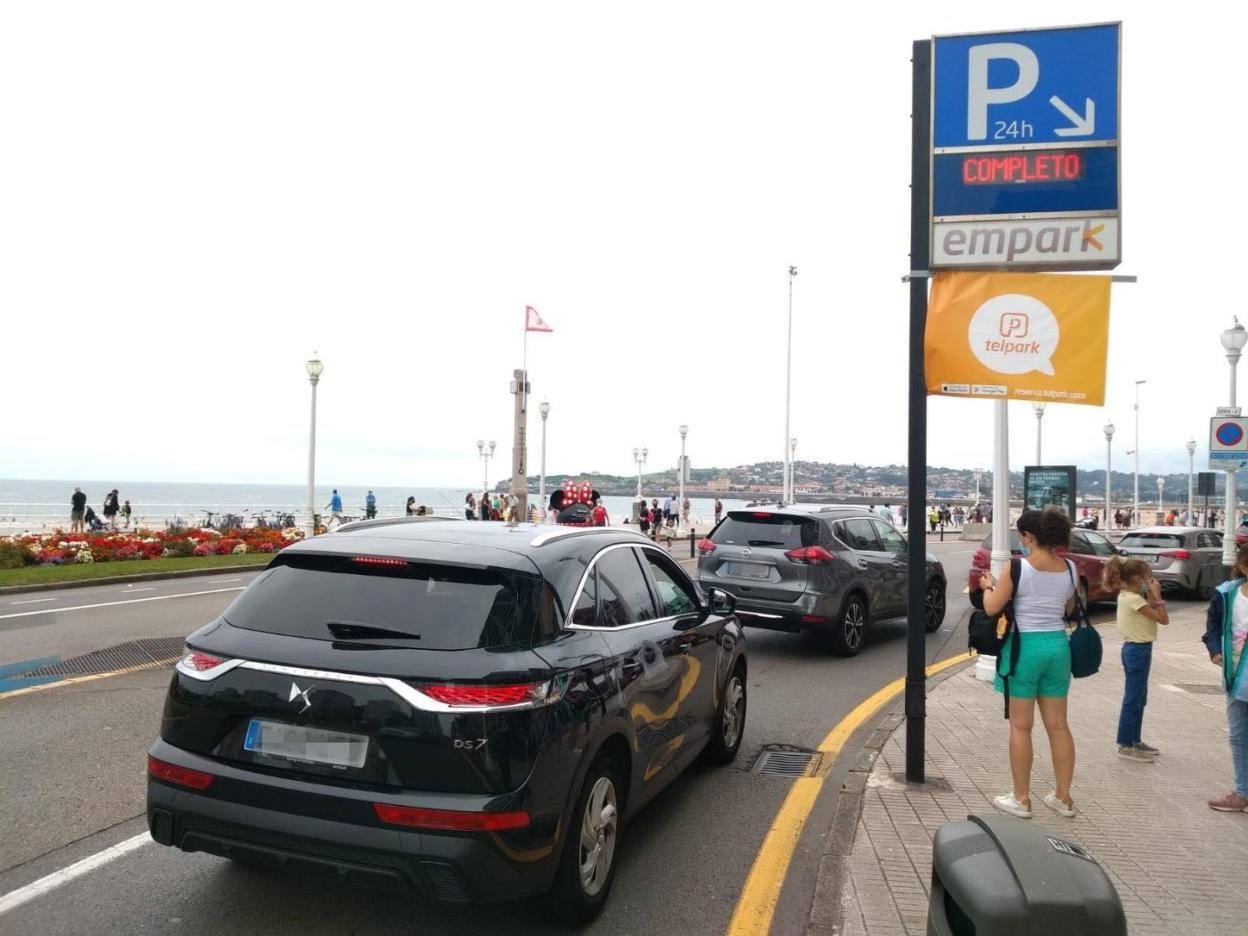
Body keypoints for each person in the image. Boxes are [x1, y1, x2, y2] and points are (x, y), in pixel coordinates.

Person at [979, 508, 1079, 819]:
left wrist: (988, 587)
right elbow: (1069, 606)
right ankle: (1063, 797)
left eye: (1021, 535)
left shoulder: (1017, 568)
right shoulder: (1071, 568)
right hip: (1058, 647)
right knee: (1059, 726)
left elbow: (993, 607)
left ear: (1029, 537)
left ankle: (1021, 798)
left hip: (1025, 649)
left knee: (1021, 726)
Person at [1103, 556, 1169, 761]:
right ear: (1135, 578)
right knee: (1133, 698)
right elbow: (1163, 619)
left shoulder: (1129, 596)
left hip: (1138, 649)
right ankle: (1125, 743)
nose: (1149, 580)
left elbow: (1151, 609)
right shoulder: (1134, 600)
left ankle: (1135, 739)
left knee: (1140, 697)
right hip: (1137, 650)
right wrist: (1157, 595)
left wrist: (1150, 592)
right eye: (1146, 577)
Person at [1202, 543, 1248, 812]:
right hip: (1236, 676)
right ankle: (1242, 791)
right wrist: (1215, 649)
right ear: (1243, 566)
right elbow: (1214, 625)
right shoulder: (1227, 594)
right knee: (1239, 736)